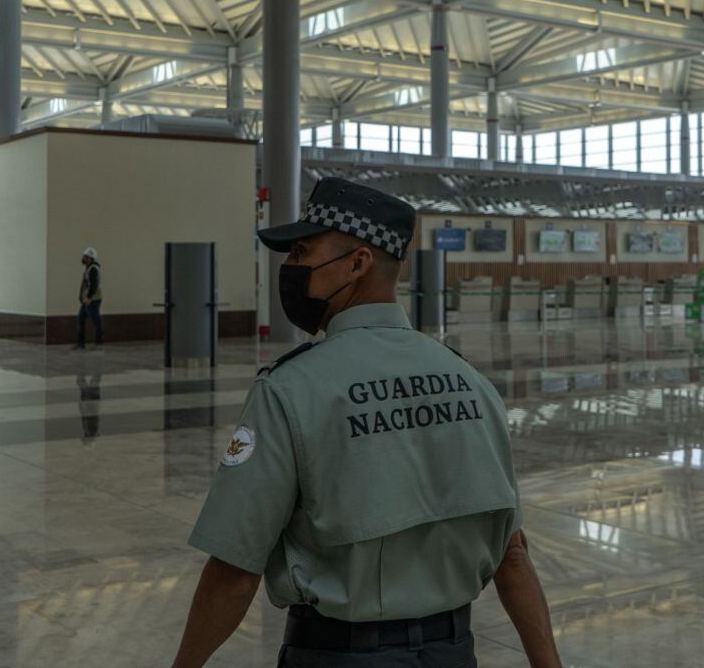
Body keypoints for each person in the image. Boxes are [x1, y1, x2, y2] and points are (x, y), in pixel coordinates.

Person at [171, 177, 562, 668]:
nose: (289, 268)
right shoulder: (471, 382)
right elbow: (513, 556)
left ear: (357, 263)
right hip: (453, 653)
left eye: (301, 252)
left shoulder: (291, 389)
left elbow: (234, 570)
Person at [75, 247, 104, 350]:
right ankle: (80, 343)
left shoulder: (93, 269)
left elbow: (94, 285)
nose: (83, 258)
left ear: (90, 258)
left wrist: (89, 297)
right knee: (80, 318)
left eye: (85, 257)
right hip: (86, 299)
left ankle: (99, 343)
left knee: (96, 321)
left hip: (92, 299)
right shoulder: (88, 268)